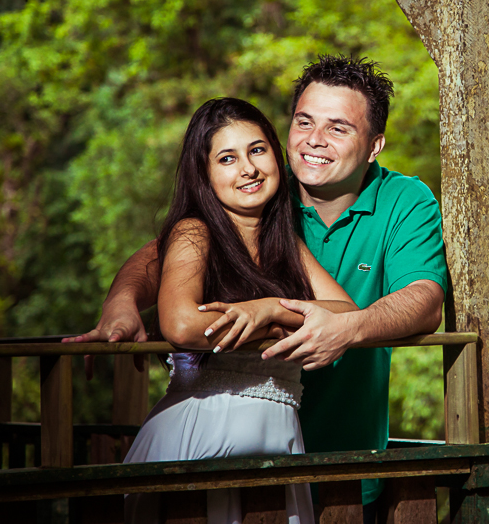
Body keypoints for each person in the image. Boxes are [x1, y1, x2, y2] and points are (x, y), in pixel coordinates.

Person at [66, 56, 448, 519]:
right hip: (224, 434)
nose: (314, 140)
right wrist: (122, 300)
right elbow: (164, 253)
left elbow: (424, 301)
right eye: (304, 121)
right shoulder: (262, 188)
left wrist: (338, 328)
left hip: (339, 446)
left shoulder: (402, 200)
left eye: (338, 128)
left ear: (374, 145)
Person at [121, 97, 359, 524]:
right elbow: (180, 324)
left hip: (277, 445)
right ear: (204, 174)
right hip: (201, 439)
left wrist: (269, 310)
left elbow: (345, 312)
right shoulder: (195, 232)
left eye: (257, 150)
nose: (248, 169)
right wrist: (281, 330)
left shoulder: (285, 243)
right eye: (227, 158)